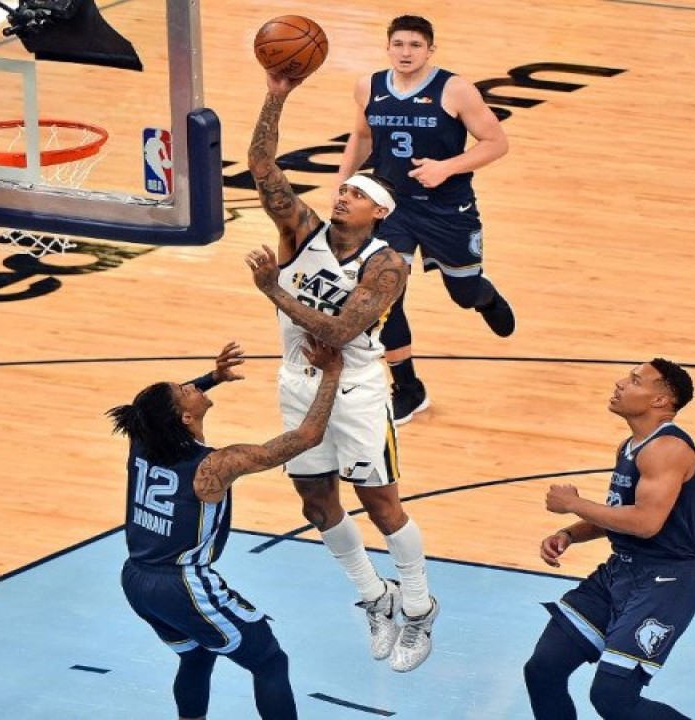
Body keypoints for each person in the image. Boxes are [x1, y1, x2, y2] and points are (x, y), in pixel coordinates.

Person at [244, 69, 440, 673]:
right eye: (341, 191)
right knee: (314, 502)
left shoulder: (387, 268)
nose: (339, 198)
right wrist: (276, 95)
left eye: (353, 195)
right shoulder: (301, 231)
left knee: (379, 504)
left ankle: (418, 604)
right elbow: (261, 165)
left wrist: (272, 289)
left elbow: (336, 333)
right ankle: (373, 597)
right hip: (296, 383)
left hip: (354, 390)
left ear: (378, 211)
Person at [110, 339, 342, 720]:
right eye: (186, 390)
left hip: (136, 578)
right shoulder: (216, 466)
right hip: (182, 583)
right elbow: (306, 437)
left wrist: (212, 378)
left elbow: (152, 411)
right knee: (269, 660)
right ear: (184, 418)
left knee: (197, 656)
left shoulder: (142, 436)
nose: (193, 387)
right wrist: (331, 373)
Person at [335, 14, 514, 425]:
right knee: (384, 295)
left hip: (446, 208)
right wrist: (345, 185)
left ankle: (484, 298)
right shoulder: (369, 86)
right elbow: (362, 137)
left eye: (415, 45)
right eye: (398, 44)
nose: (406, 52)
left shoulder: (455, 89)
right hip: (391, 207)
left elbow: (496, 142)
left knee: (463, 290)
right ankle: (409, 388)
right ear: (388, 47)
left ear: (430, 50)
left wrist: (446, 167)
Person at [525, 359, 695, 720]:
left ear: (660, 401)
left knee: (613, 698)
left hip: (664, 582)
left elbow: (646, 523)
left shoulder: (667, 449)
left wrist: (574, 504)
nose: (621, 383)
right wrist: (570, 534)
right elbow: (620, 514)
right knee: (543, 669)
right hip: (620, 573)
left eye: (636, 380)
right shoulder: (631, 446)